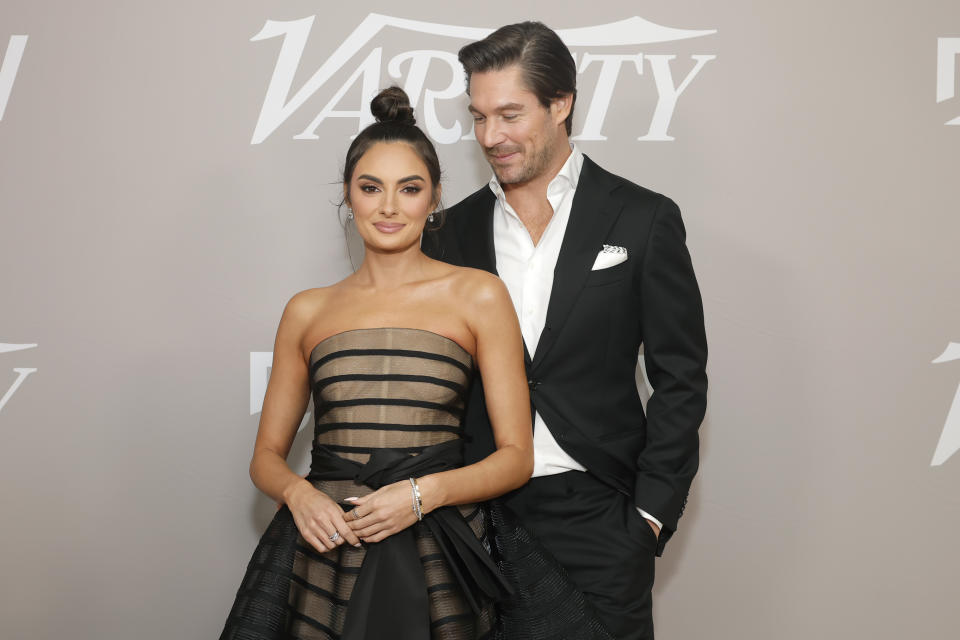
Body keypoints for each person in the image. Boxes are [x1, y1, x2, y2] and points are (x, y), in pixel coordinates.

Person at [422, 22, 709, 640]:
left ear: (561, 103)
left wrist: (649, 518)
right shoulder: (449, 233)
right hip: (473, 523)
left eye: (509, 114)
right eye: (478, 117)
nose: (491, 137)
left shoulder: (643, 218)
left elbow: (680, 378)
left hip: (599, 518)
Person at [219, 87, 535, 640]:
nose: (389, 206)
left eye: (409, 189)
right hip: (326, 549)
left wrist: (421, 495)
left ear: (434, 199)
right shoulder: (307, 310)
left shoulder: (479, 296)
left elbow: (516, 458)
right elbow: (266, 458)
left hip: (438, 549)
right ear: (349, 196)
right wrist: (298, 494)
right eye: (371, 188)